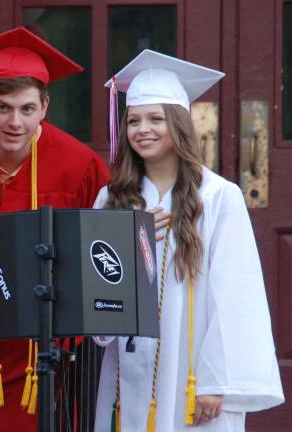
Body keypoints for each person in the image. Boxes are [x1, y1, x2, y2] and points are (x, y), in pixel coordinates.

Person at [93, 50, 284, 432]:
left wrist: (217, 382)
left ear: (178, 123)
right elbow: (99, 305)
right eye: (133, 120)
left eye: (155, 119)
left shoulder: (216, 196)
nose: (142, 129)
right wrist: (129, 250)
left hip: (195, 369)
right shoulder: (111, 199)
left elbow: (235, 294)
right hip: (130, 368)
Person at [0, 27, 110, 431]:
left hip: (43, 343)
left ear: (45, 106)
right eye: (2, 108)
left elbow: (100, 246)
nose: (14, 122)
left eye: (27, 109)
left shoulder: (78, 164)